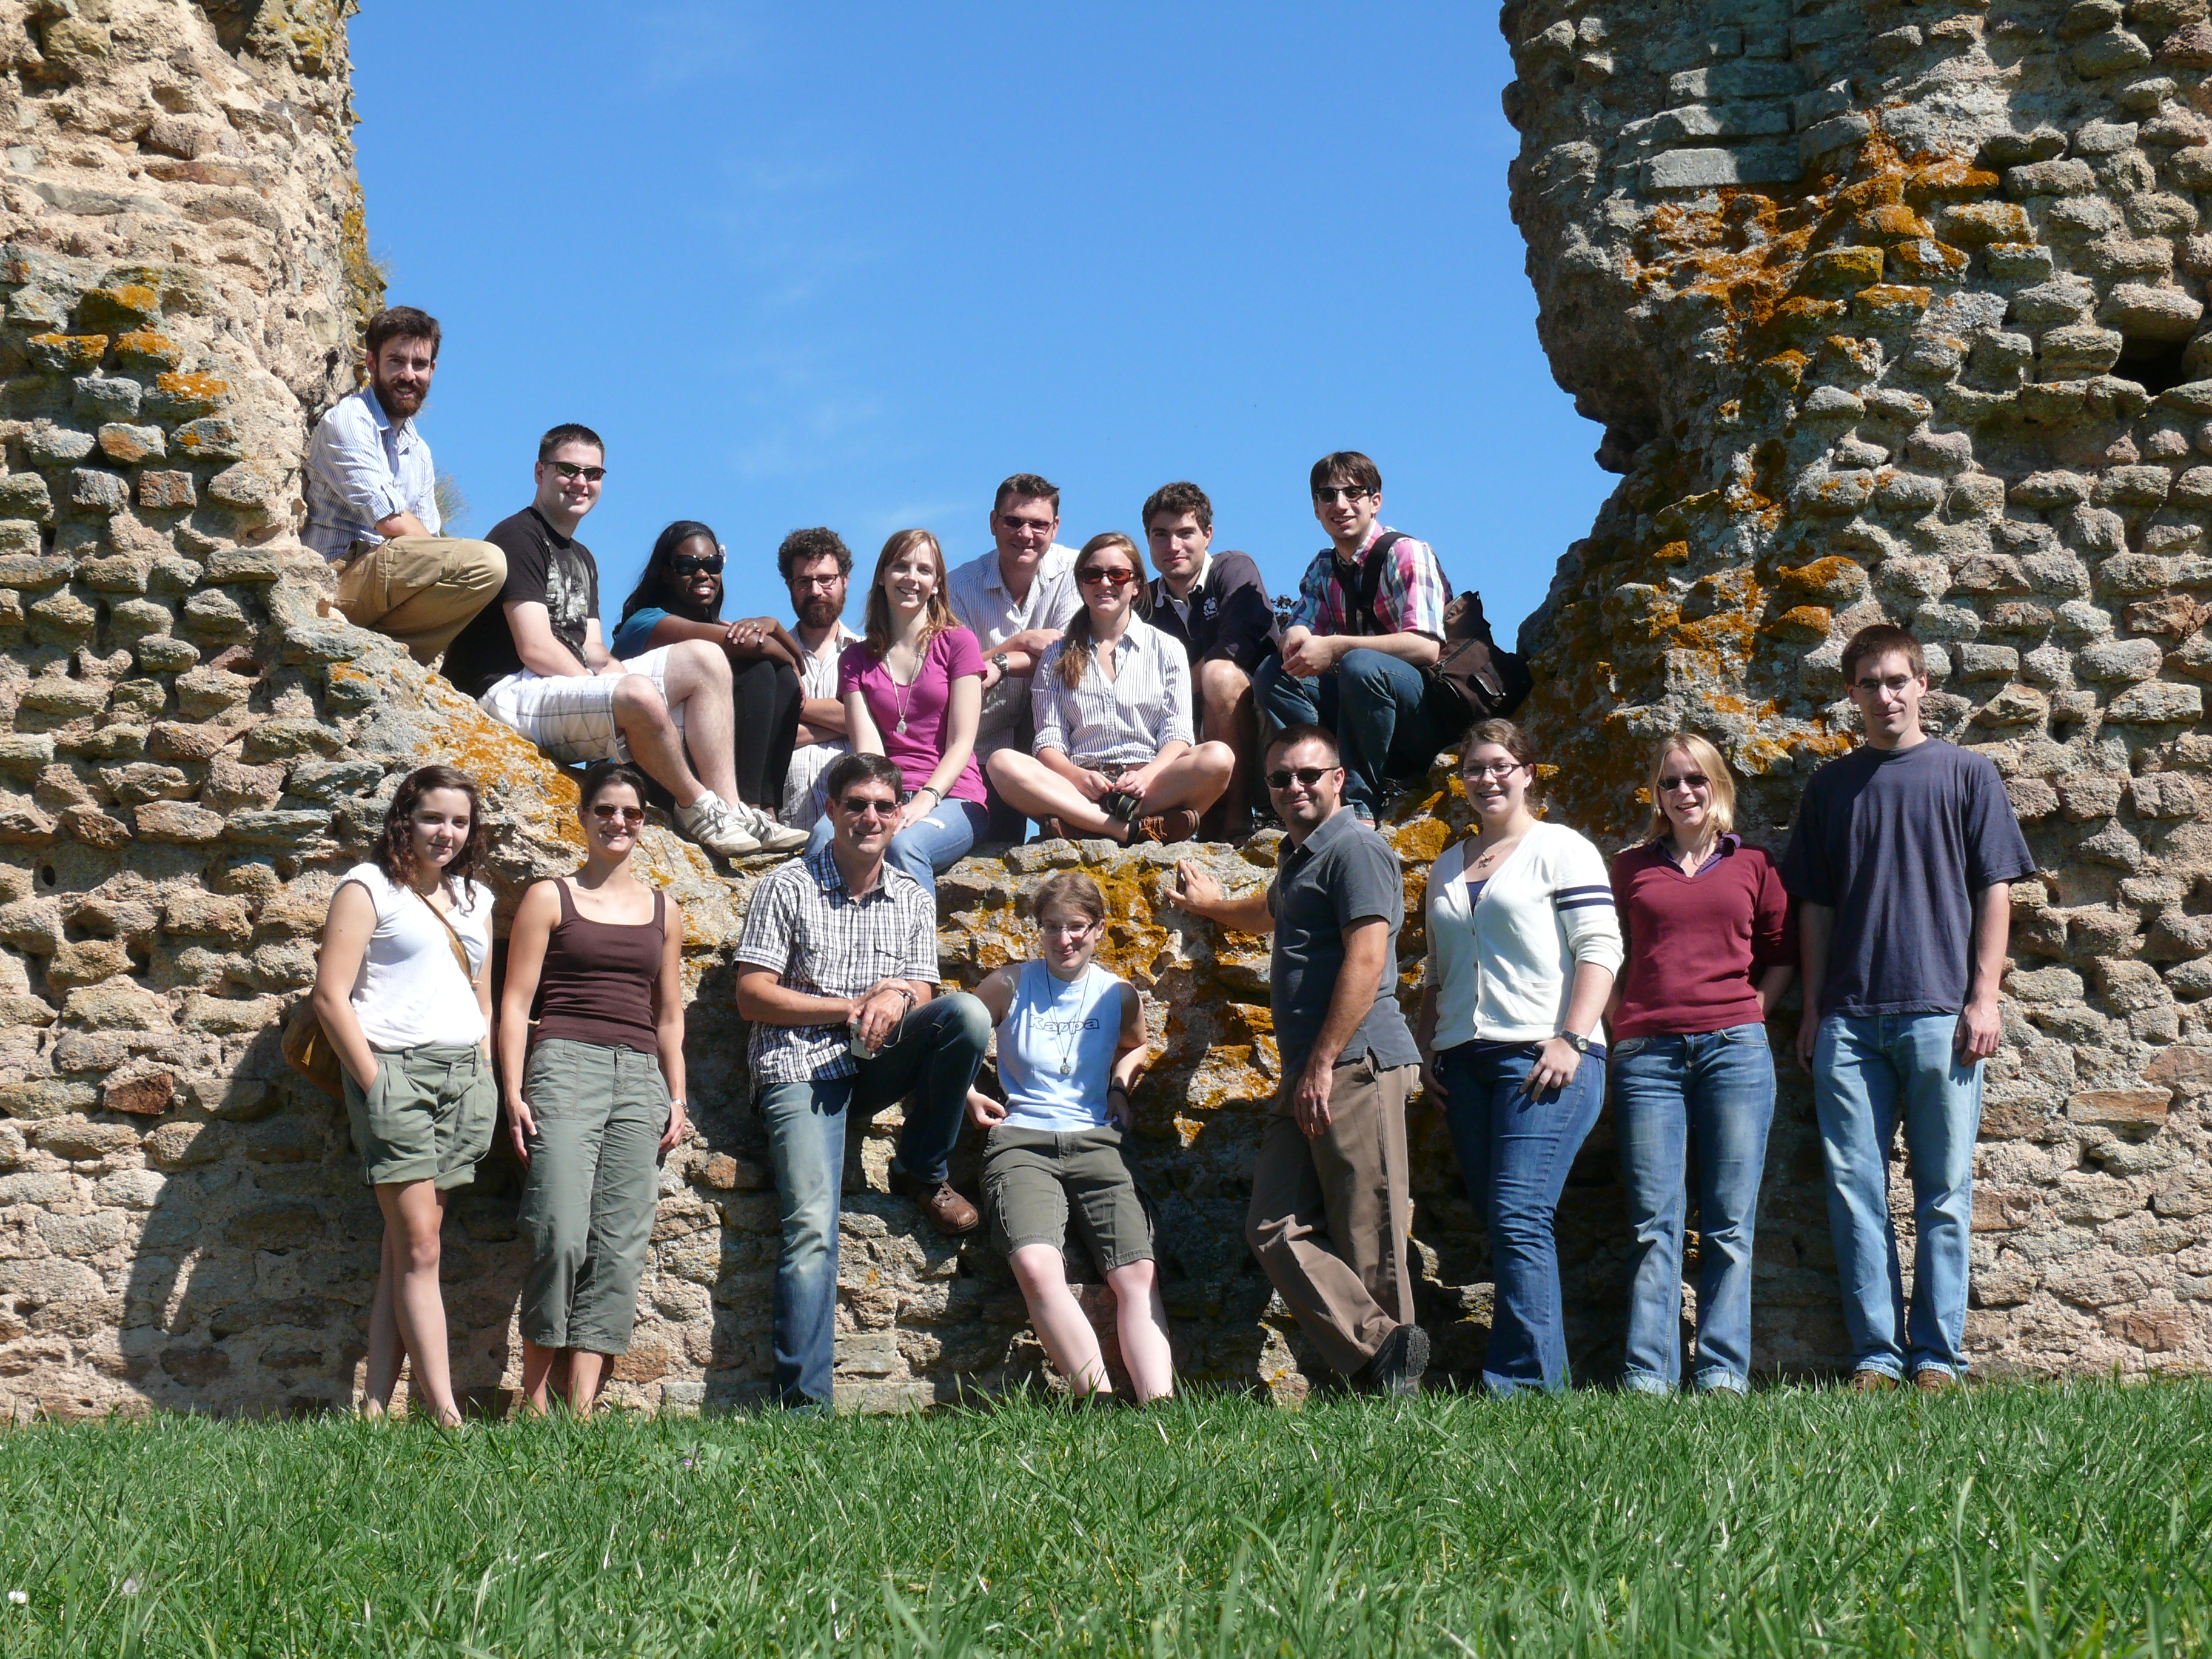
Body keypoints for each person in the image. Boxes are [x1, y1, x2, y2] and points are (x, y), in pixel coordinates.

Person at [1780, 622, 2034, 1393]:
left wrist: (1984, 996)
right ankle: (1876, 1357)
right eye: (1869, 684)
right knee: (1854, 1193)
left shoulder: (1967, 775)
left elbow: (1996, 888)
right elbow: (1814, 909)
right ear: (1851, 694)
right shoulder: (1830, 787)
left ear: (1923, 686)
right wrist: (1814, 1011)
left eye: (1898, 681)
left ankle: (1936, 1357)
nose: (1885, 696)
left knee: (1943, 1194)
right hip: (1849, 1023)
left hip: (1941, 1016)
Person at [1168, 725, 1430, 1394]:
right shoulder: (1300, 858)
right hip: (1311, 1070)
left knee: (1367, 1229)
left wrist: (1320, 1064)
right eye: (1281, 778)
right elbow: (1271, 912)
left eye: (1309, 774)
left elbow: (1368, 960)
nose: (1294, 788)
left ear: (1338, 779)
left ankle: (1393, 1395)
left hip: (1355, 1061)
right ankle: (1385, 1352)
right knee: (1274, 1224)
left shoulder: (1358, 849)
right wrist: (1210, 906)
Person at [736, 751, 994, 1408]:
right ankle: (803, 1407)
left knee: (964, 1013)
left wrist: (897, 995)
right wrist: (850, 1005)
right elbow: (753, 995)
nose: (870, 818)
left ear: (901, 814)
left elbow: (926, 991)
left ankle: (919, 1168)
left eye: (884, 806)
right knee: (812, 1225)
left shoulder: (909, 897)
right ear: (830, 810)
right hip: (799, 1070)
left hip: (876, 1064)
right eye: (856, 805)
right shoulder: (786, 887)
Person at [438, 425, 766, 861]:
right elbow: (534, 647)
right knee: (633, 693)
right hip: (507, 690)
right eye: (568, 469)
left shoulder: (583, 557)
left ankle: (731, 808)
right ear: (539, 472)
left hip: (557, 684)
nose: (581, 482)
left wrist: (623, 682)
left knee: (706, 658)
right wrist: (619, 694)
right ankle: (695, 805)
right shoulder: (519, 536)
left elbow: (593, 650)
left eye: (592, 474)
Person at [1416, 722, 1621, 1396]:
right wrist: (1428, 1053)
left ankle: (1532, 1391)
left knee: (1517, 1214)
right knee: (1506, 1219)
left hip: (1545, 1058)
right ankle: (1518, 1382)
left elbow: (1600, 948)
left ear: (1530, 773)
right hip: (1464, 1065)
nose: (1488, 779)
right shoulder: (1447, 866)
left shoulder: (1561, 849)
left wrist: (1573, 1037)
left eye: (1502, 765)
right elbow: (1437, 976)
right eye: (1475, 768)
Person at [499, 761, 689, 1418]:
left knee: (620, 1239)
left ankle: (581, 1405)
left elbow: (669, 1011)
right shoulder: (550, 897)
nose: (619, 822)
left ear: (645, 823)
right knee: (558, 1229)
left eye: (633, 813)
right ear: (582, 817)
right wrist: (513, 1090)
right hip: (563, 1064)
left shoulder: (666, 909)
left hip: (640, 1075)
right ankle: (533, 1398)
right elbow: (516, 1001)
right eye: (606, 810)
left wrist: (678, 1093)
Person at [310, 765, 497, 1429]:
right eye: (432, 818)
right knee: (421, 1249)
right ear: (403, 821)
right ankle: (445, 1412)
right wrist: (375, 1081)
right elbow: (330, 997)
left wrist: (487, 1068)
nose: (446, 833)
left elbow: (482, 993)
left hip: (463, 1079)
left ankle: (372, 1407)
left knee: (405, 1247)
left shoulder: (476, 899)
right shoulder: (367, 887)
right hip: (396, 1074)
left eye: (458, 821)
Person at [1607, 733, 1795, 1396]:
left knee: (1728, 1222)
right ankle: (1648, 1376)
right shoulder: (1629, 868)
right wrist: (1617, 1019)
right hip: (1647, 1057)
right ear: (1655, 795)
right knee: (1654, 1222)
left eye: (1696, 779)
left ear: (1718, 785)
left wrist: (1753, 1014)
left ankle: (1720, 1373)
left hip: (1734, 1053)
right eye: (1669, 782)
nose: (1684, 792)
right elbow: (1598, 950)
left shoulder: (1754, 865)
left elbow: (1781, 952)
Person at [966, 873, 1175, 1402]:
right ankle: (1097, 1400)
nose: (1065, 940)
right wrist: (967, 1093)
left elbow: (1136, 1045)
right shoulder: (1010, 984)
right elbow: (947, 1035)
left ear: (1099, 929)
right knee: (1037, 1265)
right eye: (1052, 928)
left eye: (1077, 927)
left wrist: (1120, 1090)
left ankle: (1160, 1409)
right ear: (1039, 931)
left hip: (1097, 1142)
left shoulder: (1117, 994)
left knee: (1139, 1273)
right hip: (1022, 1141)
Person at [984, 532, 1234, 845]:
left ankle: (1086, 824)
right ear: (1081, 584)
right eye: (1093, 574)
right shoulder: (1056, 655)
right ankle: (1126, 828)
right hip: (1080, 788)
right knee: (1002, 763)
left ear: (1137, 585)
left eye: (1117, 574)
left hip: (1150, 785)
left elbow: (1178, 734)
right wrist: (1078, 778)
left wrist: (1147, 776)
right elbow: (1049, 740)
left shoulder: (1167, 649)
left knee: (1219, 757)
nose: (1105, 583)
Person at [1256, 451, 1460, 823]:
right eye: (1328, 495)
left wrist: (1335, 646)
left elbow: (1426, 646)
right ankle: (1317, 780)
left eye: (1354, 493)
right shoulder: (1323, 566)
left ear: (1375, 501)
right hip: (1361, 714)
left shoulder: (1406, 553)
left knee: (1359, 664)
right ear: (1316, 508)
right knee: (1275, 673)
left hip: (1424, 717)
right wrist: (1297, 632)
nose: (1340, 504)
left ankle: (1359, 804)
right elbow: (1304, 628)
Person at [303, 306, 506, 666]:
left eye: (420, 364)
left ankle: (393, 658)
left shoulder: (419, 450)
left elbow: (427, 535)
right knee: (488, 563)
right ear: (371, 362)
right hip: (336, 580)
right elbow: (393, 523)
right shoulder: (349, 421)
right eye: (396, 361)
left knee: (486, 582)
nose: (409, 375)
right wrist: (452, 566)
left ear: (433, 370)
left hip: (387, 581)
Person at [799, 529, 991, 896]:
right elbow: (868, 751)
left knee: (906, 847)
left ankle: (917, 952)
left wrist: (925, 800)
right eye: (901, 566)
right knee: (824, 836)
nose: (912, 578)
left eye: (924, 570)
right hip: (884, 794)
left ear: (936, 584)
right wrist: (884, 807)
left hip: (953, 796)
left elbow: (962, 742)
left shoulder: (959, 643)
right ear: (883, 577)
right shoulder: (855, 659)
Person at [609, 520, 809, 853]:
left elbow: (791, 662)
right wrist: (775, 634)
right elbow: (758, 649)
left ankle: (760, 810)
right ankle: (741, 807)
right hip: (649, 765)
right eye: (687, 566)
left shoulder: (714, 627)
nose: (703, 575)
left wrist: (774, 632)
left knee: (781, 678)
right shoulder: (647, 622)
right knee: (760, 669)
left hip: (693, 761)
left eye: (712, 564)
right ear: (665, 573)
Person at [1141, 481, 1280, 840]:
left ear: (1208, 534)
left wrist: (1179, 685)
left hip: (1260, 721)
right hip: (1185, 728)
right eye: (1160, 535)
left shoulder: (1232, 569)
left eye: (1185, 533)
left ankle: (1234, 819)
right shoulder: (1143, 602)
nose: (1173, 546)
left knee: (1218, 676)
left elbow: (1239, 644)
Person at [948, 474, 1082, 840]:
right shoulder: (957, 587)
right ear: (994, 523)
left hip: (1056, 733)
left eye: (1038, 524)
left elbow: (1069, 658)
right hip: (981, 740)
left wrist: (999, 665)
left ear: (1054, 529)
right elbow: (944, 671)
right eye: (1014, 521)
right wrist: (1018, 643)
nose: (1025, 534)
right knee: (994, 843)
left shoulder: (1077, 572)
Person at [776, 526, 862, 833]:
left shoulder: (871, 656)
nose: (815, 591)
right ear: (790, 585)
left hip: (857, 831)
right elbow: (760, 736)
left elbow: (880, 720)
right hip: (784, 830)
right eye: (804, 581)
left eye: (826, 579)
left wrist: (791, 710)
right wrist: (844, 726)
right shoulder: (768, 660)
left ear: (845, 580)